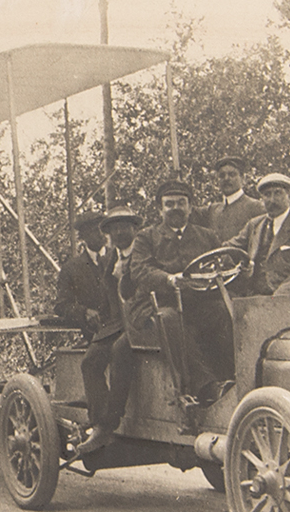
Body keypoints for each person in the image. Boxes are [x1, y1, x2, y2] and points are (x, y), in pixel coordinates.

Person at [123, 179, 234, 423]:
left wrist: (236, 270)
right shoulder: (146, 237)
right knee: (170, 319)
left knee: (222, 311)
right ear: (160, 209)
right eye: (169, 204)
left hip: (197, 302)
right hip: (154, 305)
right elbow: (139, 271)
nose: (175, 208)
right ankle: (205, 387)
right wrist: (168, 279)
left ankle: (232, 380)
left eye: (181, 203)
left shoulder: (207, 236)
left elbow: (224, 264)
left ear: (190, 207)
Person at [76, 206, 142, 454]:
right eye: (114, 229)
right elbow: (107, 299)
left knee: (120, 351)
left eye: (125, 227)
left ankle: (109, 423)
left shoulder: (145, 252)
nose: (120, 233)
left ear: (135, 229)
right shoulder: (109, 259)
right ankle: (98, 424)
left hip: (143, 320)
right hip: (117, 322)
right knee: (90, 361)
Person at [236, 172, 290, 295]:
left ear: (289, 196)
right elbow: (233, 246)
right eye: (267, 194)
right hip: (260, 297)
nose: (272, 200)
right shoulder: (255, 225)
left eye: (278, 193)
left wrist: (277, 298)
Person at [52, 210, 111, 337]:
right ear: (84, 236)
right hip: (93, 335)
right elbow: (61, 306)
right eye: (94, 230)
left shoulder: (118, 258)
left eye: (103, 229)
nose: (101, 234)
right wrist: (84, 312)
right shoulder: (72, 268)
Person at [199, 156, 266, 245]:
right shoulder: (213, 210)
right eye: (222, 176)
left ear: (243, 178)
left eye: (232, 174)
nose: (226, 179)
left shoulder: (256, 207)